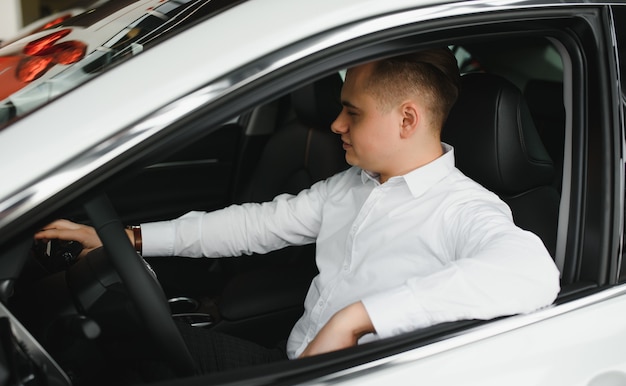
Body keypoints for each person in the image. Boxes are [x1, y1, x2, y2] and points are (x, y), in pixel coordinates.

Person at [35, 48, 560, 369]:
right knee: (129, 346)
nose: (336, 125)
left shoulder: (464, 209)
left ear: (407, 120)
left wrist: (356, 320)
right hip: (289, 366)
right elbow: (252, 225)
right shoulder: (352, 187)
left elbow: (531, 274)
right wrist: (126, 238)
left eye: (351, 112)